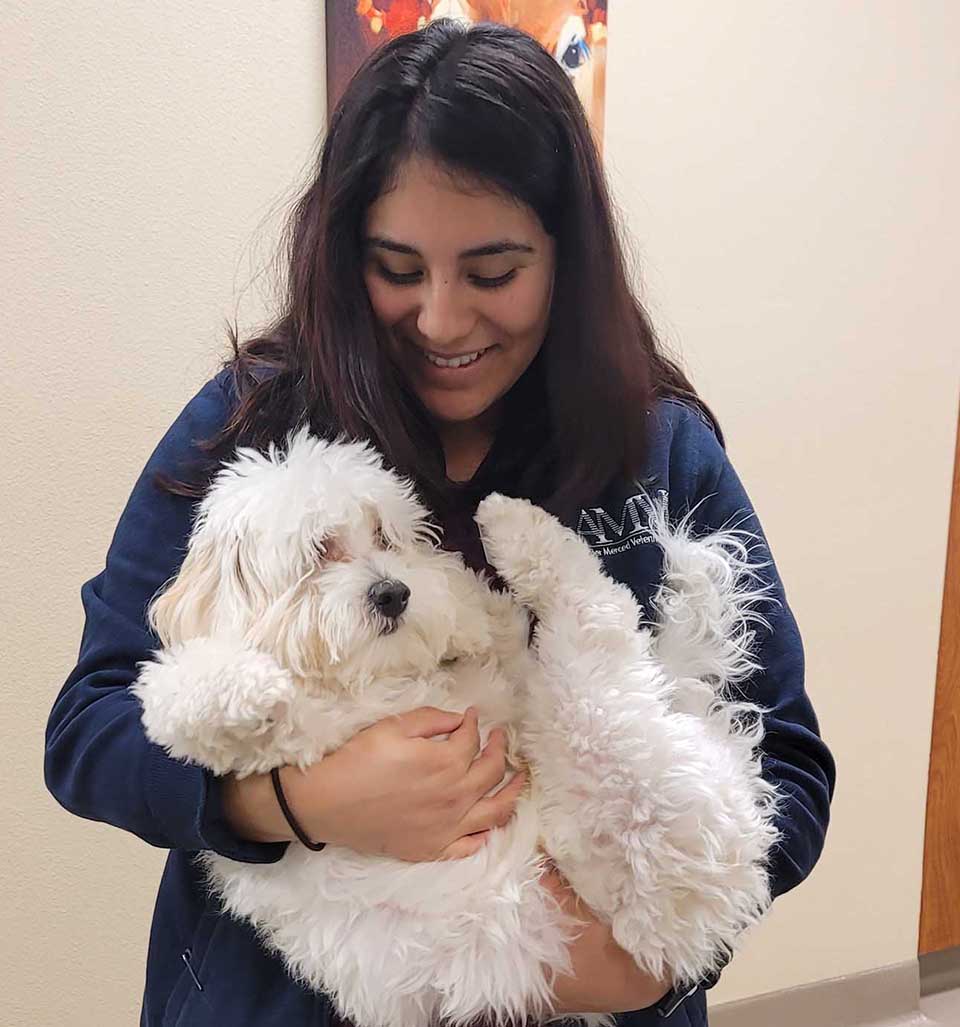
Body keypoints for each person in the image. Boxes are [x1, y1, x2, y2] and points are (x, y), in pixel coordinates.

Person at [43, 19, 835, 1027]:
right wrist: (298, 801)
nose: (443, 322)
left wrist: (656, 961)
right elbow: (90, 729)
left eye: (494, 272)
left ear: (566, 256)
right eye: (399, 270)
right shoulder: (249, 425)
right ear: (342, 251)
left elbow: (788, 766)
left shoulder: (661, 450)